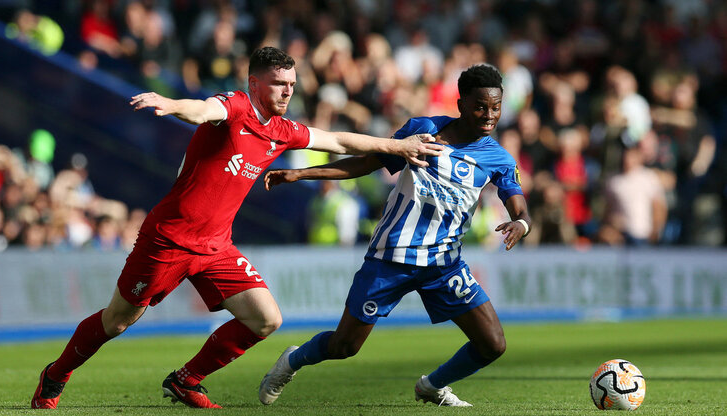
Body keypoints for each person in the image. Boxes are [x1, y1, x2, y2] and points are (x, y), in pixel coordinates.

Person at [30, 46, 443, 410]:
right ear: (254, 82)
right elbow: (205, 109)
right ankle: (56, 374)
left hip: (215, 246)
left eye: (292, 84)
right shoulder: (238, 107)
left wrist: (398, 146)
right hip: (169, 239)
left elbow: (338, 140)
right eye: (279, 84)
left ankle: (185, 379)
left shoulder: (282, 131)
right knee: (117, 321)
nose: (288, 92)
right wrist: (174, 104)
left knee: (266, 319)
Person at [259, 64, 531, 407]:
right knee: (345, 347)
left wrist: (520, 225)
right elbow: (367, 162)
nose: (489, 115)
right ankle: (291, 361)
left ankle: (431, 386)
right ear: (460, 104)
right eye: (480, 106)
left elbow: (521, 209)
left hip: (444, 265)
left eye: (496, 107)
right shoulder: (424, 130)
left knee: (492, 344)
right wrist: (302, 174)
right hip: (391, 257)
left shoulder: (498, 158)